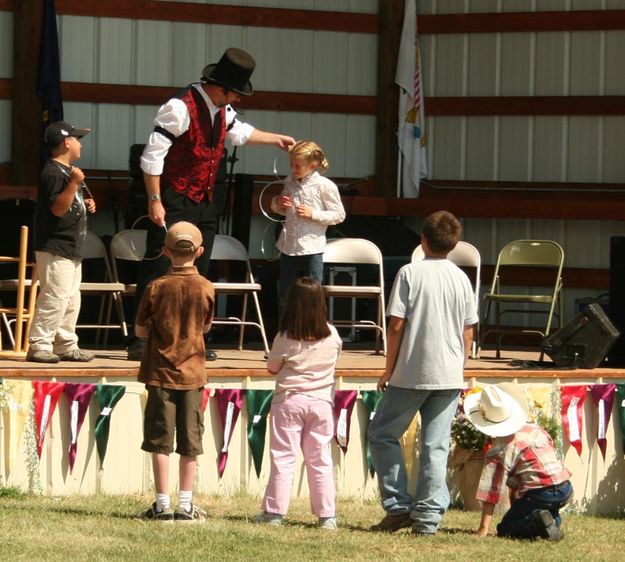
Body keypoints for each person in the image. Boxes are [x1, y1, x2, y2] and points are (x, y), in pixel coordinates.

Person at [128, 47, 296, 361]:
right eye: (235, 94)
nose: (237, 101)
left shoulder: (221, 109)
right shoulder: (179, 108)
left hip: (205, 200)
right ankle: (143, 338)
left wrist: (276, 138)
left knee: (199, 271)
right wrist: (155, 200)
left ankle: (191, 339)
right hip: (175, 197)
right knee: (159, 266)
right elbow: (151, 158)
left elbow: (241, 133)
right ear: (220, 88)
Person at [368, 210, 479, 535]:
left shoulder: (409, 273)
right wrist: (461, 366)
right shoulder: (461, 278)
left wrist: (388, 369)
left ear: (423, 240)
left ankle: (399, 506)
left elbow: (396, 324)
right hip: (449, 372)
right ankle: (428, 520)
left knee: (382, 433)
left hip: (413, 371)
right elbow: (468, 330)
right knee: (435, 445)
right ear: (454, 243)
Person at [136, 221, 215, 522]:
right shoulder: (207, 286)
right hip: (193, 372)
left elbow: (141, 329)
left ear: (165, 251)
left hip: (160, 371)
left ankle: (161, 504)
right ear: (200, 251)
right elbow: (206, 326)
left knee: (160, 440)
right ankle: (185, 504)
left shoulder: (156, 287)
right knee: (190, 443)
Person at [255, 277, 342, 530]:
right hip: (321, 402)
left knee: (283, 457)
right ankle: (327, 516)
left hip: (290, 401)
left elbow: (272, 368)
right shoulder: (332, 333)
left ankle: (274, 513)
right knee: (320, 459)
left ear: (292, 303)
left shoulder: (285, 336)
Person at [465, 383, 573, 541]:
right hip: (565, 488)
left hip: (539, 493)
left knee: (506, 528)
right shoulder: (536, 429)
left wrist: (483, 528)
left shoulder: (499, 449)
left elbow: (491, 491)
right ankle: (551, 521)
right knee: (546, 508)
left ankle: (537, 521)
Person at [27, 121, 97, 363]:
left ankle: (65, 343)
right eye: (77, 139)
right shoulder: (53, 172)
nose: (80, 145)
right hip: (55, 246)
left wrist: (85, 201)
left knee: (70, 298)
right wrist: (74, 184)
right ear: (67, 142)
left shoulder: (68, 172)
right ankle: (40, 344)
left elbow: (69, 203)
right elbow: (57, 209)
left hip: (70, 247)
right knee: (54, 296)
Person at [270, 140, 345, 310]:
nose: (293, 169)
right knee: (285, 295)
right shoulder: (289, 182)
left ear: (313, 165)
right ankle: (285, 333)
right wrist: (279, 203)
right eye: (291, 165)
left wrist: (314, 214)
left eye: (298, 166)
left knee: (312, 294)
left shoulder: (324, 186)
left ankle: (313, 332)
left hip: (312, 247)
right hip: (289, 245)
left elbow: (339, 214)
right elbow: (281, 211)